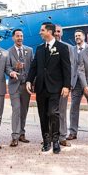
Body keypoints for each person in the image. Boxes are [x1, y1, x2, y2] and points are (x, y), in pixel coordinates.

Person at [26, 22, 71, 154]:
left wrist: (66, 86)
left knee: (53, 113)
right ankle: (46, 141)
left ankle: (56, 140)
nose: (40, 32)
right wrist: (29, 80)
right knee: (43, 115)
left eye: (42, 30)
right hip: (40, 87)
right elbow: (34, 66)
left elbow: (66, 68)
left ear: (49, 32)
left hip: (55, 87)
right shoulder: (39, 48)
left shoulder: (62, 48)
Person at [8, 28, 33, 147]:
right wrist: (13, 71)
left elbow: (33, 68)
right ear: (13, 38)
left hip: (26, 86)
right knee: (16, 110)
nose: (20, 38)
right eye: (18, 36)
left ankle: (22, 133)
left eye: (21, 36)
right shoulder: (8, 52)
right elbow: (6, 67)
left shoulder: (29, 50)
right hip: (14, 85)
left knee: (24, 111)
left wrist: (31, 81)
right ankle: (14, 136)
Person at [65, 29, 86, 144]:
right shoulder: (71, 50)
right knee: (74, 107)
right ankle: (73, 132)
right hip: (75, 83)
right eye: (75, 36)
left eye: (79, 35)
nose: (77, 37)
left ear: (84, 37)